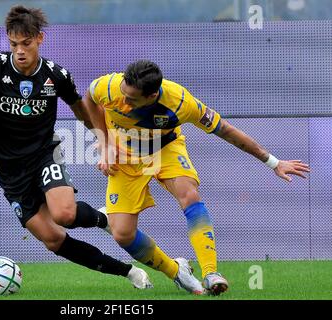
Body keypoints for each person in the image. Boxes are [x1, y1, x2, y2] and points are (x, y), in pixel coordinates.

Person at [0, 6, 157, 290]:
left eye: (26, 43)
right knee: (53, 240)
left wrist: (103, 140)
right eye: (14, 44)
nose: (20, 50)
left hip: (44, 155)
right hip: (9, 170)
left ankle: (103, 220)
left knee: (64, 214)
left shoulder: (56, 75)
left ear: (40, 38)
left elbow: (81, 107)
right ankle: (127, 271)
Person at [82, 59, 310, 296]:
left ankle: (211, 272)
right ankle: (176, 271)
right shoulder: (111, 86)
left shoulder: (181, 103)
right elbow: (90, 98)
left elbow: (225, 130)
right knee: (122, 234)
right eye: (124, 95)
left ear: (151, 96)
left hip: (165, 149)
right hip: (126, 155)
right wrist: (104, 141)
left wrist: (272, 162)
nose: (124, 102)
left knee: (189, 195)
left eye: (132, 100)